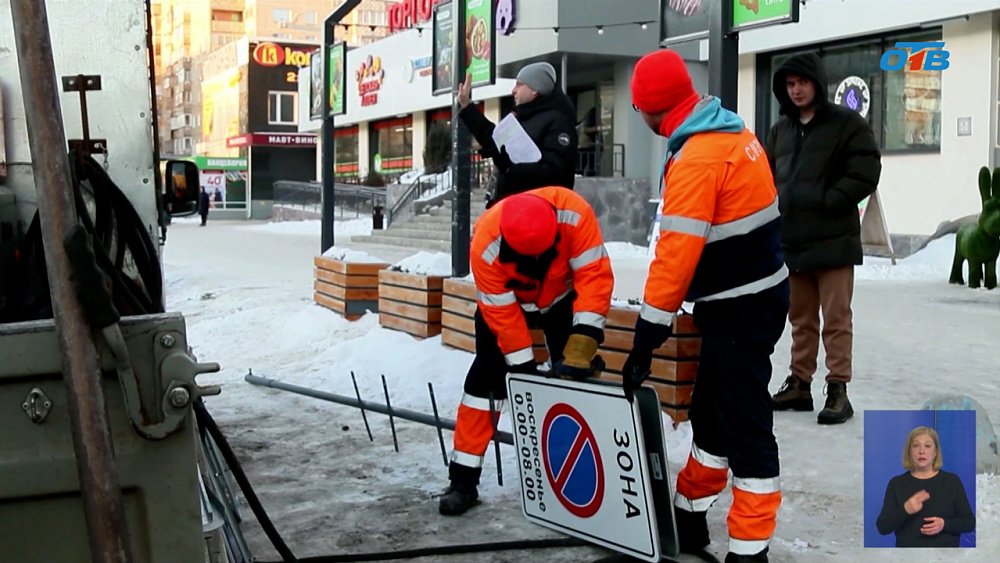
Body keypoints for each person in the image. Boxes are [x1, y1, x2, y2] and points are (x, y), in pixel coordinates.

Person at [623, 49, 789, 563]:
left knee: (744, 423)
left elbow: (675, 256)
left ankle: (750, 550)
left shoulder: (697, 158)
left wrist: (646, 337)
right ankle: (690, 514)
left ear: (649, 109)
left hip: (741, 306)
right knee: (712, 415)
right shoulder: (728, 131)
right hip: (747, 300)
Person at [438, 186, 614, 516]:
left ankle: (576, 479)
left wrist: (583, 342)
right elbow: (503, 317)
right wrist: (523, 371)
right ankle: (463, 481)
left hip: (561, 298)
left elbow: (594, 276)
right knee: (484, 383)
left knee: (574, 384)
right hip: (508, 306)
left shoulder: (575, 215)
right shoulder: (485, 245)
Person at [766, 53, 882, 425]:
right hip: (794, 239)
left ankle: (837, 389)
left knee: (836, 319)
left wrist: (829, 200)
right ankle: (799, 383)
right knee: (800, 319)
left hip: (834, 240)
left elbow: (866, 170)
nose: (796, 90)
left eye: (802, 82)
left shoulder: (847, 124)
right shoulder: (780, 131)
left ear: (816, 82)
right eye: (790, 84)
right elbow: (766, 176)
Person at [457, 62, 577, 208]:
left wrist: (510, 168)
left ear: (536, 89)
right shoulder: (522, 117)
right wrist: (468, 107)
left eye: (519, 84)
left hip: (535, 212)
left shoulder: (558, 122)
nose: (513, 90)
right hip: (512, 209)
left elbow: (556, 174)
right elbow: (494, 140)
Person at [876, 426, 975, 547]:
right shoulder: (896, 483)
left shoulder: (952, 481)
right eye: (916, 445)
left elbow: (969, 523)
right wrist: (905, 509)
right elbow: (882, 527)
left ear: (935, 453)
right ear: (909, 451)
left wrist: (944, 524)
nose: (921, 451)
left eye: (927, 446)